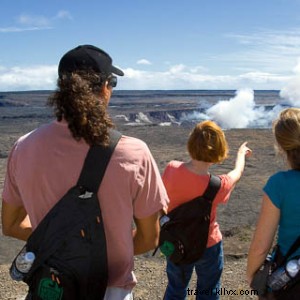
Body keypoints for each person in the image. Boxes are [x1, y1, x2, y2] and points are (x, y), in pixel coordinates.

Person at [1, 44, 169, 300]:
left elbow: (11, 224)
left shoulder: (23, 147)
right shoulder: (134, 153)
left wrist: (57, 242)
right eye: (112, 82)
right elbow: (149, 238)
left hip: (50, 289)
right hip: (109, 291)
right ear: (104, 88)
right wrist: (103, 249)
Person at [162, 120, 252, 300]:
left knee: (176, 288)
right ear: (218, 150)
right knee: (208, 290)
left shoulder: (171, 168)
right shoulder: (218, 185)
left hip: (175, 240)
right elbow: (237, 173)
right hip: (208, 244)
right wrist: (241, 154)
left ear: (191, 144)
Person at [247, 107, 300, 299]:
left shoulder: (280, 184)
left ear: (282, 146)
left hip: (292, 282)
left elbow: (261, 246)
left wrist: (252, 277)